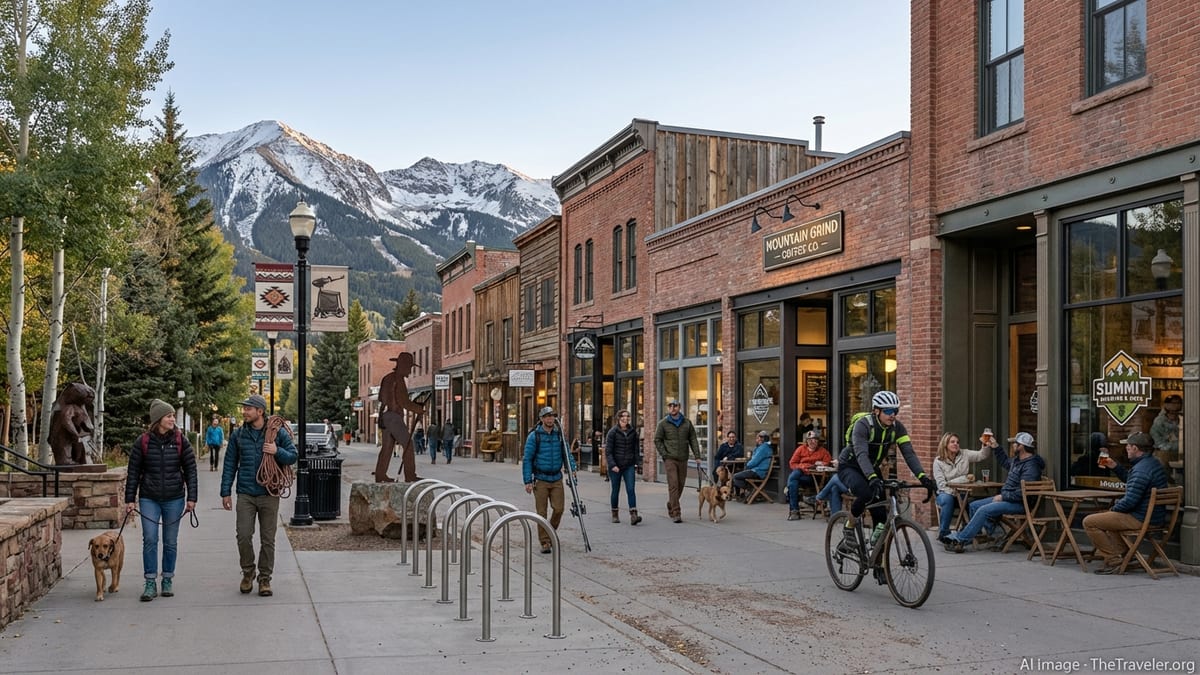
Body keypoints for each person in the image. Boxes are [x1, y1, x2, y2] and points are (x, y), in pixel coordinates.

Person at [836, 391, 936, 554]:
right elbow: (861, 454)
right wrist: (873, 477)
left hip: (872, 468)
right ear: (877, 410)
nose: (893, 415)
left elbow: (909, 453)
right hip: (850, 466)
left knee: (881, 516)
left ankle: (878, 558)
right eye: (888, 411)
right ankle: (849, 528)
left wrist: (923, 477)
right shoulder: (863, 425)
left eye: (895, 411)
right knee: (866, 493)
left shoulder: (897, 428)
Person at [220, 394, 298, 597]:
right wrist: (225, 492)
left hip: (269, 493)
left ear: (260, 411)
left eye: (248, 408)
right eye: (244, 408)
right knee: (244, 536)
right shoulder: (238, 435)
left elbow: (293, 455)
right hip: (245, 493)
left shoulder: (277, 433)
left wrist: (276, 451)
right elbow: (230, 464)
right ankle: (248, 573)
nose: (244, 412)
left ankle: (264, 579)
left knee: (268, 539)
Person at [125, 399, 199, 602]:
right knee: (150, 539)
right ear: (158, 419)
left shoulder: (180, 440)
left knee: (170, 541)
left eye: (173, 416)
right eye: (169, 416)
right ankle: (150, 581)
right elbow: (134, 473)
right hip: (149, 497)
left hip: (174, 498)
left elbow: (191, 469)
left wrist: (192, 497)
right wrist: (129, 499)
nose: (173, 419)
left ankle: (167, 578)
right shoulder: (143, 442)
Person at [943, 431, 1045, 553]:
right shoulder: (1018, 461)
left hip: (1021, 504)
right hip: (1008, 498)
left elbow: (1024, 493)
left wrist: (1003, 496)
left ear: (1021, 446)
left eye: (1015, 444)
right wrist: (996, 447)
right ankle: (991, 535)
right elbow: (1005, 461)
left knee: (984, 510)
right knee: (974, 505)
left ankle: (960, 540)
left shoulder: (1031, 466)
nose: (1013, 446)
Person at [1083, 431, 1170, 574]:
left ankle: (1113, 560)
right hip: (1153, 516)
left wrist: (1112, 509)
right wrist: (1115, 467)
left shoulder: (1141, 470)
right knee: (1108, 519)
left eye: (1128, 446)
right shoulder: (1152, 463)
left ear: (1135, 448)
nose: (1126, 449)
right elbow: (1134, 483)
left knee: (1090, 522)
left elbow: (1130, 501)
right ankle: (1126, 556)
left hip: (1140, 518)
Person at [523, 407, 576, 553]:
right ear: (541, 419)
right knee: (542, 512)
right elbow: (527, 459)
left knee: (559, 509)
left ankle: (549, 531)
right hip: (540, 479)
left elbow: (567, 454)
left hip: (556, 477)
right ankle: (545, 541)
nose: (550, 419)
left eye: (552, 416)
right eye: (547, 417)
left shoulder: (559, 435)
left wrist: (572, 468)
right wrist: (527, 480)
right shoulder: (535, 436)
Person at [931, 431, 994, 543]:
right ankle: (944, 533)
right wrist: (964, 479)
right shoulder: (938, 461)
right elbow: (942, 485)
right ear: (945, 444)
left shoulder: (964, 454)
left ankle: (967, 531)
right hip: (945, 493)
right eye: (952, 442)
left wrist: (985, 445)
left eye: (957, 442)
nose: (956, 444)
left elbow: (982, 455)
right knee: (947, 499)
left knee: (973, 501)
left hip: (962, 493)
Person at [375, 352, 425, 481]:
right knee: (408, 445)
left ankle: (380, 475)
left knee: (387, 448)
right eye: (409, 367)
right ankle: (410, 475)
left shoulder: (387, 378)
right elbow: (404, 402)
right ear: (403, 366)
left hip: (385, 416)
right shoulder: (398, 380)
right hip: (394, 417)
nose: (409, 370)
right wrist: (418, 409)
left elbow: (381, 398)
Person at [653, 398, 701, 523]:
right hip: (670, 458)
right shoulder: (663, 423)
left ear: (679, 407)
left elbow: (693, 439)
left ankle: (671, 503)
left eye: (675, 406)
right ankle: (676, 512)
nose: (673, 408)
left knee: (680, 484)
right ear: (668, 408)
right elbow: (657, 439)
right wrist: (664, 454)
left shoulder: (687, 423)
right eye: (670, 406)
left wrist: (697, 455)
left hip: (683, 457)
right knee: (673, 484)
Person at [605, 409, 642, 525]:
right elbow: (608, 451)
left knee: (631, 489)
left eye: (627, 417)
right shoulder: (612, 432)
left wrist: (637, 463)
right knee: (615, 490)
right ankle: (615, 513)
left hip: (629, 465)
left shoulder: (633, 432)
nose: (625, 419)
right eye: (623, 417)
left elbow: (636, 450)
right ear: (618, 418)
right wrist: (612, 465)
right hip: (616, 466)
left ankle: (633, 514)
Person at [786, 430, 832, 520]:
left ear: (818, 441)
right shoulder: (801, 449)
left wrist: (821, 464)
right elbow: (792, 463)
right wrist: (803, 466)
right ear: (806, 441)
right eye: (809, 439)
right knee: (794, 477)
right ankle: (794, 510)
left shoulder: (823, 451)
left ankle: (794, 510)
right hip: (802, 475)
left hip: (815, 478)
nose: (812, 441)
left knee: (793, 479)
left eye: (814, 439)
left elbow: (828, 462)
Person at [733, 430, 774, 500]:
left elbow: (754, 462)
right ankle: (751, 491)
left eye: (757, 438)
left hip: (758, 472)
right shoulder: (763, 447)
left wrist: (747, 465)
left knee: (735, 477)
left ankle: (751, 490)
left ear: (762, 439)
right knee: (739, 473)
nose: (756, 440)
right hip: (758, 470)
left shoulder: (763, 448)